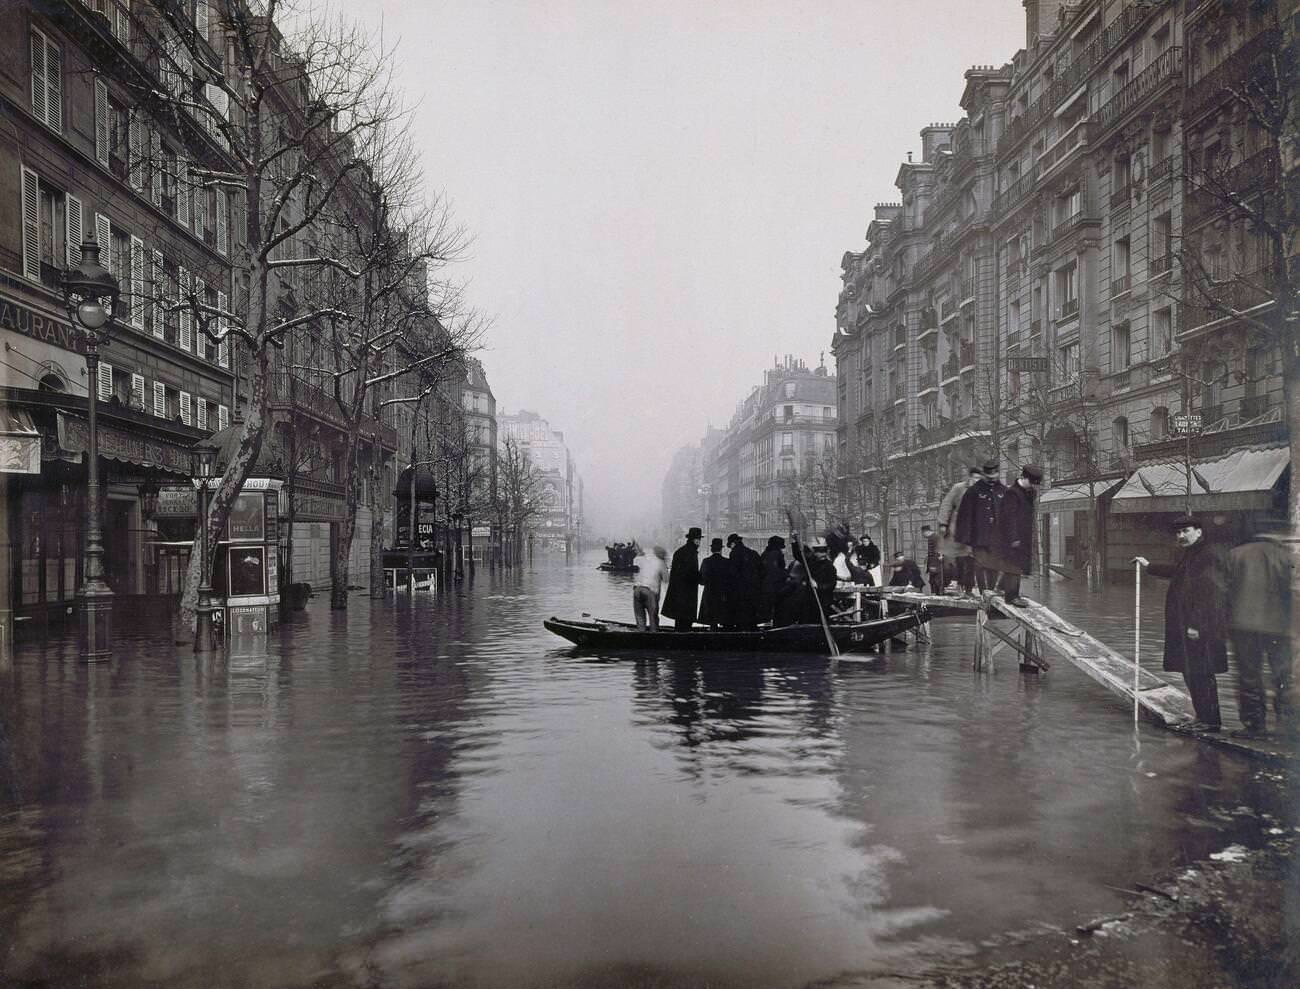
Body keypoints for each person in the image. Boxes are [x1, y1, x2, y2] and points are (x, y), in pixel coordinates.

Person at [1133, 517, 1230, 732]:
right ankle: (1204, 718)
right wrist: (1149, 566)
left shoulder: (1208, 555)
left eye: (1185, 531)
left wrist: (1197, 624)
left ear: (1198, 531)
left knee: (1201, 673)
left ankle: (1210, 722)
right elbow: (1178, 572)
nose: (1181, 536)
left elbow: (1211, 593)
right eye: (1178, 533)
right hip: (1189, 625)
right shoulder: (1194, 554)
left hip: (1199, 627)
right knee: (1192, 671)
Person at [1228, 520, 1295, 737]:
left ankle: (1255, 726)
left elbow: (1223, 592)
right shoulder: (1287, 555)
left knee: (1249, 676)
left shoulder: (1235, 554)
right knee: (1283, 676)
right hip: (1280, 628)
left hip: (1243, 626)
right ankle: (1289, 726)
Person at [991, 464, 1042, 606]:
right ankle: (1012, 596)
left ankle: (1002, 587)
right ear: (1024, 478)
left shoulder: (1026, 492)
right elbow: (1009, 517)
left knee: (1016, 565)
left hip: (1022, 536)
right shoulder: (1012, 493)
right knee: (1014, 566)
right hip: (1012, 537)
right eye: (1031, 483)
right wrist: (1013, 537)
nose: (1033, 486)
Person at [955, 459, 1006, 597]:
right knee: (980, 565)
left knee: (994, 566)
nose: (991, 480)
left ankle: (990, 593)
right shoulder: (974, 491)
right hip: (978, 536)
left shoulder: (1003, 491)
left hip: (997, 538)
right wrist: (967, 540)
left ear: (998, 474)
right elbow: (965, 516)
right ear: (984, 475)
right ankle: (984, 593)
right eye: (988, 477)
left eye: (994, 477)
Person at [938, 466, 980, 597]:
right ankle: (959, 585)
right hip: (958, 527)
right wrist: (943, 523)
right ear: (970, 477)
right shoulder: (958, 488)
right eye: (975, 478)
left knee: (971, 559)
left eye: (980, 478)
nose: (977, 480)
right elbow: (947, 504)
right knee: (960, 557)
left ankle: (969, 588)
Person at [662, 527, 703, 630]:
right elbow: (691, 572)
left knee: (679, 618)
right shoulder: (691, 552)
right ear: (695, 540)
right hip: (688, 591)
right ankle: (685, 637)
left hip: (678, 590)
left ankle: (679, 634)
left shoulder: (680, 551)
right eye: (699, 539)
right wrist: (701, 578)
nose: (700, 541)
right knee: (686, 618)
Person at [726, 533, 763, 629]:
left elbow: (732, 573)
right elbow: (762, 570)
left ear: (733, 544)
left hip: (740, 590)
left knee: (741, 616)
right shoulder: (753, 553)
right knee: (751, 615)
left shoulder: (734, 553)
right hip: (753, 589)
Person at [698, 537, 733, 629]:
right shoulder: (727, 562)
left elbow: (702, 581)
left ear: (711, 549)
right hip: (723, 594)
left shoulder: (706, 562)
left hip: (710, 594)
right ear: (721, 549)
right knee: (724, 619)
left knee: (712, 620)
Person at [631, 542, 665, 631]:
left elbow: (639, 555)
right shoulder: (661, 562)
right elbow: (666, 579)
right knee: (653, 620)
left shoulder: (643, 559)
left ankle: (641, 635)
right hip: (649, 592)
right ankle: (653, 638)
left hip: (637, 590)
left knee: (640, 620)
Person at [759, 536, 787, 624]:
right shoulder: (776, 554)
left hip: (765, 585)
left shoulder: (765, 554)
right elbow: (779, 569)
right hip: (776, 585)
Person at [921, 524, 942, 594]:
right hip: (933, 563)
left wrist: (933, 565)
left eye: (923, 533)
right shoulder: (933, 537)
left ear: (925, 532)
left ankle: (937, 595)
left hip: (935, 563)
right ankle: (934, 594)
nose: (923, 535)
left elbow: (937, 551)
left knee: (935, 581)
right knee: (932, 581)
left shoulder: (934, 537)